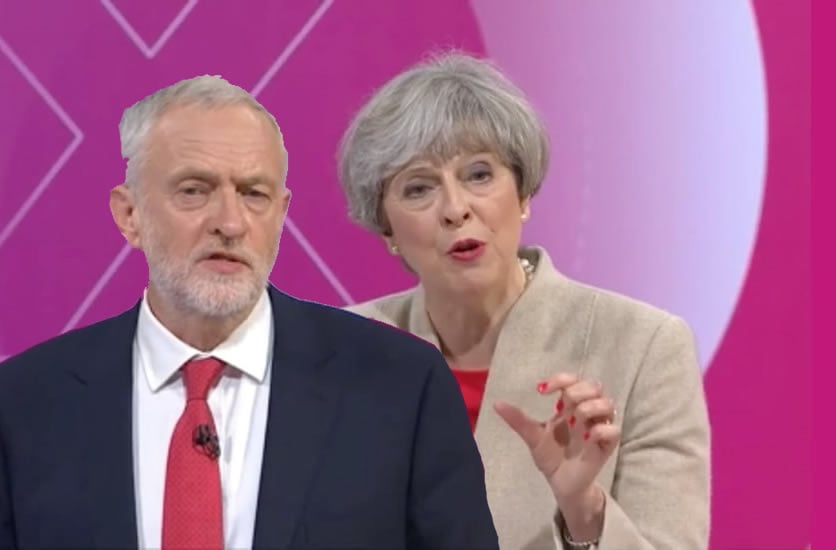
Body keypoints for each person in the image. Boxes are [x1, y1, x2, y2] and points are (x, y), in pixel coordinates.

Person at [0, 75, 499, 549]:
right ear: (130, 215)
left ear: (280, 214)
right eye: (194, 190)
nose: (231, 223)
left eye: (253, 194)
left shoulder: (401, 387)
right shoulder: (24, 404)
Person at [339, 52, 711, 549]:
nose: (455, 209)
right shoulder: (341, 351)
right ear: (387, 229)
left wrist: (583, 509)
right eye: (419, 188)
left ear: (524, 195)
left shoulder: (643, 346)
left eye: (478, 175)